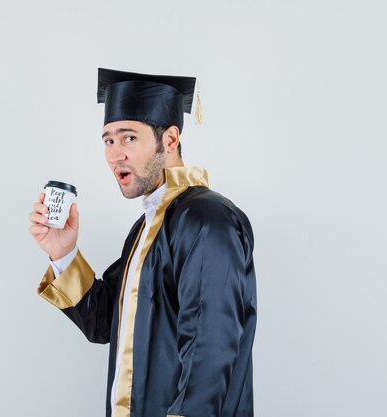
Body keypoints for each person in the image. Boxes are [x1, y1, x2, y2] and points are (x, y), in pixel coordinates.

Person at [28, 68, 257, 417]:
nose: (115, 154)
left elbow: (211, 349)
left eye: (129, 138)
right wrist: (63, 252)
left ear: (169, 139)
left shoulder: (205, 220)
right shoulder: (146, 228)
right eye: (108, 140)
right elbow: (108, 324)